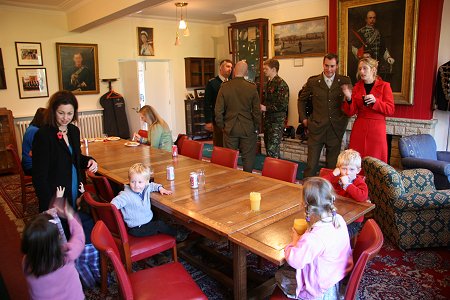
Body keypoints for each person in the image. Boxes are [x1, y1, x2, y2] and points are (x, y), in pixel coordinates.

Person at [32, 91, 98, 241]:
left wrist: (89, 160)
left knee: (75, 227)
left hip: (74, 185)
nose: (65, 118)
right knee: (60, 236)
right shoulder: (44, 135)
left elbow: (75, 157)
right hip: (56, 192)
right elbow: (39, 175)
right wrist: (49, 203)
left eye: (70, 113)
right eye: (61, 113)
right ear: (53, 110)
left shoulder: (73, 131)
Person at [275, 177, 353, 299]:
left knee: (279, 275)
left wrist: (295, 241)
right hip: (335, 279)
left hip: (319, 292)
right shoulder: (339, 219)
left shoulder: (314, 239)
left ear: (305, 205)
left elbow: (295, 261)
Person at [22, 189, 85, 300]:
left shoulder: (27, 261)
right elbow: (79, 236)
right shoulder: (66, 255)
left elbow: (43, 236)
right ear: (56, 242)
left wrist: (50, 212)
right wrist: (70, 216)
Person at [298, 53, 352, 178]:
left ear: (337, 66)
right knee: (311, 165)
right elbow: (301, 100)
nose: (329, 69)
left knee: (332, 167)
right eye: (326, 66)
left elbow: (351, 103)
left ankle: (328, 193)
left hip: (335, 129)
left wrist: (343, 121)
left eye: (332, 66)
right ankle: (307, 192)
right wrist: (304, 119)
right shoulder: (313, 81)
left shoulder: (344, 81)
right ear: (323, 65)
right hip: (316, 128)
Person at [342, 57, 395, 163]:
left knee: (376, 159)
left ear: (373, 69)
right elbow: (350, 112)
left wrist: (376, 102)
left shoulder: (385, 86)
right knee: (356, 159)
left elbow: (390, 109)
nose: (361, 71)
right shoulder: (357, 87)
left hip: (377, 129)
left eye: (365, 68)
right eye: (360, 68)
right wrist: (348, 99)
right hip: (359, 127)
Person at [215, 61, 261, 173]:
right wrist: (255, 126)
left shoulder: (225, 87)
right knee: (248, 158)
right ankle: (248, 181)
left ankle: (230, 180)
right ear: (246, 72)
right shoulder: (251, 87)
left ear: (234, 71)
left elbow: (218, 110)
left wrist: (222, 126)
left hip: (230, 128)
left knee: (229, 158)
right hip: (247, 128)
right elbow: (256, 111)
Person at [111, 163, 176, 238]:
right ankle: (177, 234)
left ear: (146, 182)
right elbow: (113, 204)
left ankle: (172, 229)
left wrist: (160, 188)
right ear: (129, 180)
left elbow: (152, 185)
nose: (136, 185)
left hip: (147, 220)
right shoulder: (125, 195)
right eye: (133, 182)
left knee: (162, 217)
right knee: (159, 224)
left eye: (140, 182)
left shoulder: (145, 188)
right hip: (137, 228)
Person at [321, 149, 369, 238]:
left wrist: (348, 185)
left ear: (358, 170)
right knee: (320, 231)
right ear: (338, 169)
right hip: (335, 214)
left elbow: (362, 197)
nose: (347, 172)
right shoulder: (336, 179)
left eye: (351, 169)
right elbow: (319, 185)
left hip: (352, 221)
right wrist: (333, 174)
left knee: (337, 237)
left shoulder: (359, 183)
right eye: (344, 169)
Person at [351, 10, 395, 81]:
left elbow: (383, 48)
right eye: (370, 18)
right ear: (366, 19)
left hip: (377, 65)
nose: (372, 20)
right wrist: (362, 55)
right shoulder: (360, 32)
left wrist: (388, 57)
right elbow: (354, 48)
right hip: (365, 65)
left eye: (374, 18)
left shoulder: (378, 32)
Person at [261, 58, 289, 158]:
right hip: (269, 120)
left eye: (266, 69)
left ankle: (274, 172)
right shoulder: (269, 83)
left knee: (272, 149)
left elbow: (282, 105)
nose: (264, 71)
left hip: (276, 122)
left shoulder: (281, 84)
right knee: (269, 147)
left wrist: (266, 108)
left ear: (273, 69)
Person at [204, 59, 233, 146]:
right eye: (227, 66)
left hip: (230, 119)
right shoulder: (212, 83)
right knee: (219, 144)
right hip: (217, 119)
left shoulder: (232, 82)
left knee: (230, 145)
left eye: (231, 67)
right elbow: (207, 103)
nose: (230, 69)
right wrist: (208, 121)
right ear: (220, 68)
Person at [21, 107, 46, 176]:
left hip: (30, 164)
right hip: (31, 166)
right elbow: (39, 152)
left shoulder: (32, 127)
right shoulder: (35, 131)